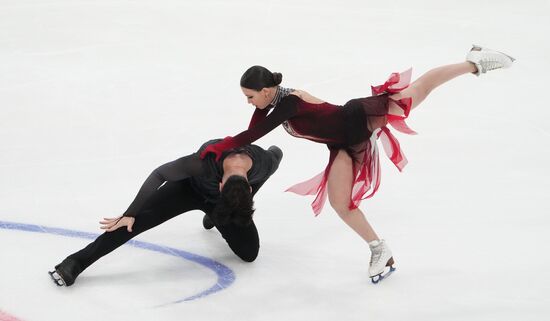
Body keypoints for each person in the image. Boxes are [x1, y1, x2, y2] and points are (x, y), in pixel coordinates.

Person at [199, 45, 515, 282]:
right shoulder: (274, 100)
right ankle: (380, 250)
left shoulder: (289, 102)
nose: (249, 102)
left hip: (359, 118)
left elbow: (254, 132)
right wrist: (226, 145)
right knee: (341, 202)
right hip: (343, 143)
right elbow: (254, 125)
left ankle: (473, 62)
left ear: (266, 91)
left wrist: (217, 149)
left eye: (250, 96)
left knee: (418, 90)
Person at [49, 139, 283, 286]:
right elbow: (159, 174)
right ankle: (75, 262)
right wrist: (130, 212)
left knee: (249, 253)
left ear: (248, 186)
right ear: (221, 185)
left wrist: (238, 203)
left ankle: (215, 215)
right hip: (187, 190)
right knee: (131, 223)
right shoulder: (203, 162)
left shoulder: (263, 162)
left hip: (223, 202)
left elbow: (276, 154)